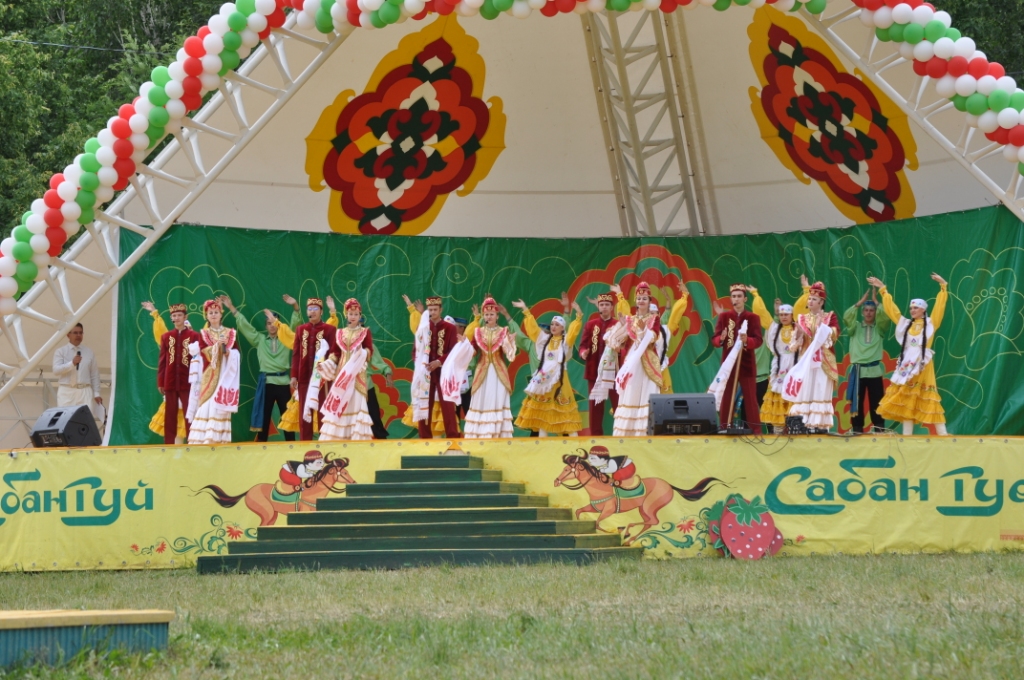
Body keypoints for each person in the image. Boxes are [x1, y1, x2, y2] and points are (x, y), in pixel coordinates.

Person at [869, 274, 949, 436]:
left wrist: (943, 287)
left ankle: (943, 434)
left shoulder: (931, 324)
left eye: (916, 308)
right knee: (906, 396)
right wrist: (883, 290)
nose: (912, 310)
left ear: (923, 310)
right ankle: (907, 436)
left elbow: (939, 308)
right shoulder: (906, 324)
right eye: (911, 308)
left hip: (923, 364)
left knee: (928, 396)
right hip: (907, 364)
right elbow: (893, 311)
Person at [220, 296, 297, 442]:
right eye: (268, 323)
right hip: (267, 383)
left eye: (274, 322)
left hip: (284, 383)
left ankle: (291, 446)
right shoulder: (260, 340)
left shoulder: (287, 339)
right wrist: (231, 308)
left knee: (287, 417)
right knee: (264, 417)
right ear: (266, 326)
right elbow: (245, 327)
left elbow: (294, 325)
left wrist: (295, 307)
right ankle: (261, 447)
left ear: (279, 324)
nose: (272, 326)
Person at [512, 294, 583, 436]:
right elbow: (533, 329)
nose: (553, 326)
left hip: (560, 378)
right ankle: (542, 442)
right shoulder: (544, 340)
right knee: (543, 409)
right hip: (544, 378)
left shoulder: (565, 341)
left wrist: (578, 316)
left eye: (557, 325)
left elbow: (573, 333)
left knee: (564, 407)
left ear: (562, 328)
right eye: (552, 324)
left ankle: (574, 441)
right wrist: (525, 310)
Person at [604, 282, 666, 437]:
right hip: (632, 362)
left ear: (649, 301)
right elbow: (623, 343)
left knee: (647, 393)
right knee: (631, 392)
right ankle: (627, 432)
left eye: (644, 298)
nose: (641, 301)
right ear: (635, 301)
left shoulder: (654, 318)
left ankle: (645, 432)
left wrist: (644, 330)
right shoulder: (630, 320)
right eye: (639, 298)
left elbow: (654, 337)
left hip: (648, 361)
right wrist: (621, 330)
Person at [785, 280, 840, 433]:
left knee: (820, 389)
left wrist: (823, 327)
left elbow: (834, 335)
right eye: (809, 298)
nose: (810, 301)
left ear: (821, 302)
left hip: (823, 362)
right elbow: (793, 346)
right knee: (805, 391)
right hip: (807, 362)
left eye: (814, 299)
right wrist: (798, 334)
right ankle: (803, 424)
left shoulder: (830, 317)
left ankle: (819, 426)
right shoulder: (801, 319)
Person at [317, 298, 375, 441]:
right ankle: (338, 438)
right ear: (346, 315)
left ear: (360, 315)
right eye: (350, 314)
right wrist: (326, 364)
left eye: (356, 314)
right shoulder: (340, 333)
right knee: (340, 405)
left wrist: (362, 353)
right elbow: (335, 354)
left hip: (357, 375)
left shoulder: (365, 332)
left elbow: (369, 350)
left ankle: (356, 439)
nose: (353, 317)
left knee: (356, 403)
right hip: (342, 376)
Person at [143, 302, 200, 444]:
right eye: (174, 316)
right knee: (170, 416)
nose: (177, 318)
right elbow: (162, 361)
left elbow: (200, 360)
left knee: (190, 414)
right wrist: (161, 382)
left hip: (188, 382)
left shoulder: (194, 336)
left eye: (179, 315)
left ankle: (193, 444)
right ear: (171, 318)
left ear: (185, 317)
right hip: (170, 382)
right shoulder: (166, 337)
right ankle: (169, 446)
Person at [460, 297, 517, 439]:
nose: (489, 317)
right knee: (481, 400)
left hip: (498, 372)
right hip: (482, 371)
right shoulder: (478, 332)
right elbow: (473, 351)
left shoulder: (503, 331)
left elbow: (509, 354)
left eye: (492, 314)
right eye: (486, 314)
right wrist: (464, 344)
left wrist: (510, 342)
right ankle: (479, 434)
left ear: (497, 316)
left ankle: (498, 434)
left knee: (497, 399)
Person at [710, 284, 764, 432]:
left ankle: (755, 431)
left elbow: (758, 340)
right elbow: (715, 339)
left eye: (739, 296)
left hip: (746, 364)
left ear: (745, 299)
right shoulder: (724, 317)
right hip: (729, 364)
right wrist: (721, 339)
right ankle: (724, 427)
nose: (736, 299)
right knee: (726, 396)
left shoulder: (753, 318)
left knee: (751, 399)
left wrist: (747, 340)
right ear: (731, 299)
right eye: (734, 296)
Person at [187, 299, 241, 444]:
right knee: (208, 403)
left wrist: (228, 352)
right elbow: (203, 351)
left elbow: (236, 352)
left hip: (226, 372)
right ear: (206, 316)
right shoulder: (204, 333)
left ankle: (220, 438)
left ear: (221, 314)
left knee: (221, 402)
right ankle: (203, 438)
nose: (213, 315)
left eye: (216, 312)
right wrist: (217, 346)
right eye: (210, 313)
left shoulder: (230, 333)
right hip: (211, 373)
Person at [406, 294, 460, 439]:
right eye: (430, 310)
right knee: (423, 403)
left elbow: (453, 351)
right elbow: (415, 350)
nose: (432, 312)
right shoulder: (423, 327)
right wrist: (420, 364)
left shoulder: (450, 328)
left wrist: (439, 362)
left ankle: (453, 437)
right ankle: (424, 438)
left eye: (435, 309)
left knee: (447, 405)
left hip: (444, 371)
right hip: (426, 372)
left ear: (441, 310)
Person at [578, 289, 630, 435]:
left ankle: (622, 434)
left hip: (614, 372)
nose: (604, 307)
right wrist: (583, 352)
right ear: (598, 307)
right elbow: (582, 345)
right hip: (594, 371)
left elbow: (625, 346)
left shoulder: (618, 324)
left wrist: (619, 351)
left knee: (619, 405)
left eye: (607, 304)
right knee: (595, 407)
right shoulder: (590, 325)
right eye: (602, 304)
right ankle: (596, 438)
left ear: (612, 307)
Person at [289, 296, 339, 441]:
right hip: (304, 377)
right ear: (307, 312)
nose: (312, 311)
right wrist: (294, 376)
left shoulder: (329, 330)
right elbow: (296, 354)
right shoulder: (300, 330)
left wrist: (327, 367)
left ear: (321, 312)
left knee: (323, 411)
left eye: (315, 309)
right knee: (304, 413)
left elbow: (334, 353)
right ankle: (305, 444)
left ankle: (325, 442)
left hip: (323, 378)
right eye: (310, 309)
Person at [844, 288, 892, 434]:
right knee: (857, 401)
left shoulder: (880, 328)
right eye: (866, 310)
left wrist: (877, 302)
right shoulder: (854, 327)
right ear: (862, 312)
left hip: (874, 370)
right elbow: (847, 317)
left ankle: (879, 429)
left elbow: (886, 317)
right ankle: (857, 430)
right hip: (858, 370)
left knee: (877, 401)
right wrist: (859, 303)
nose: (869, 313)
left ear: (875, 312)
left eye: (872, 310)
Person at [758, 302, 799, 433]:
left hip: (795, 367)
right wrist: (756, 296)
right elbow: (764, 317)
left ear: (792, 315)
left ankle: (795, 430)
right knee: (778, 397)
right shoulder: (775, 330)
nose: (784, 317)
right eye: (781, 315)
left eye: (786, 314)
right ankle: (778, 431)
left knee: (794, 397)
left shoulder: (799, 329)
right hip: (779, 369)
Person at [52, 323, 102, 421]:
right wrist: (72, 363)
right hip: (67, 390)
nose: (78, 335)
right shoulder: (61, 351)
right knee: (65, 420)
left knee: (85, 421)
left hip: (85, 390)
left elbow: (94, 374)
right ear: (68, 335)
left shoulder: (89, 352)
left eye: (80, 333)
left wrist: (97, 393)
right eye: (75, 333)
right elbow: (56, 370)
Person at [366, 340, 393, 439]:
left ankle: (383, 443)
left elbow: (379, 363)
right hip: (348, 388)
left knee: (374, 418)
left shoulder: (367, 345)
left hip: (366, 385)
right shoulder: (343, 344)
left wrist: (388, 373)